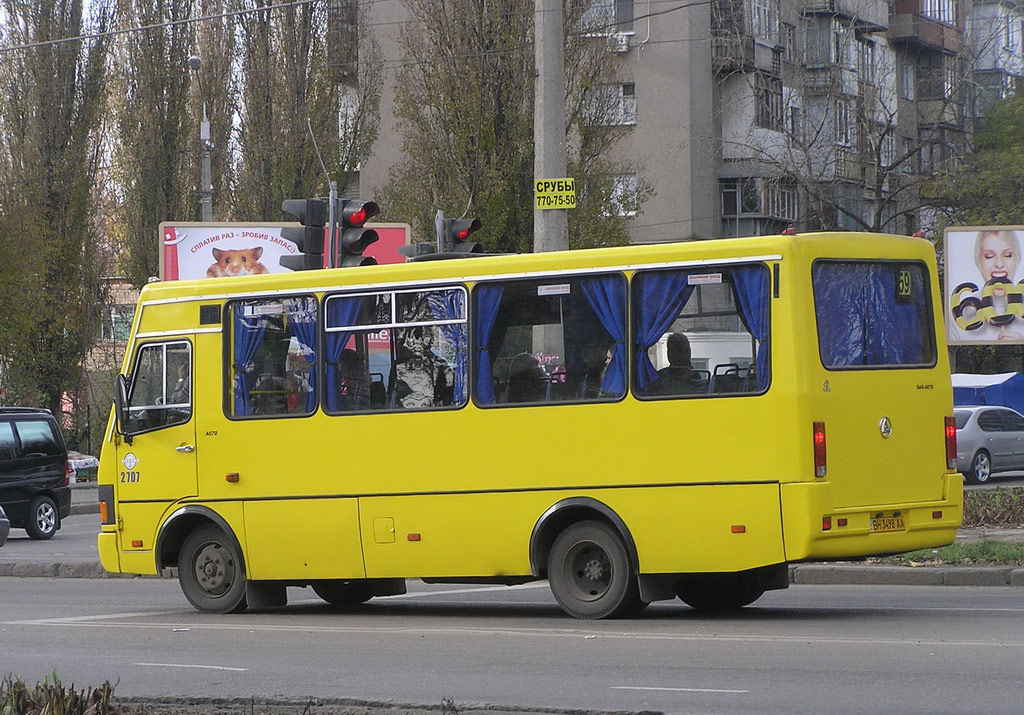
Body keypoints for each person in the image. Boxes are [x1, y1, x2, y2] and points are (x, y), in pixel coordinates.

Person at [950, 230, 1024, 342]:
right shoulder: (961, 312)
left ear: (1017, 259)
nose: (999, 264)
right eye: (989, 256)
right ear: (978, 260)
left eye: (1007, 255)